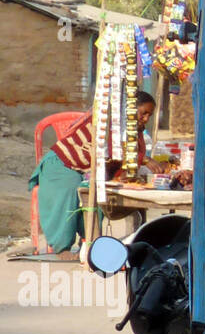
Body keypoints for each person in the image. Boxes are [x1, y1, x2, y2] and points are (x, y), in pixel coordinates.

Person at [28, 90, 156, 259]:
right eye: (143, 113)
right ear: (131, 109)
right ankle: (61, 247)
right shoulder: (109, 120)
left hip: (89, 169)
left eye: (149, 115)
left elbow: (124, 160)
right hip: (62, 162)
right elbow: (113, 150)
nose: (146, 119)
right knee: (71, 187)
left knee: (98, 188)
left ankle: (88, 240)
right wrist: (145, 161)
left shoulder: (134, 131)